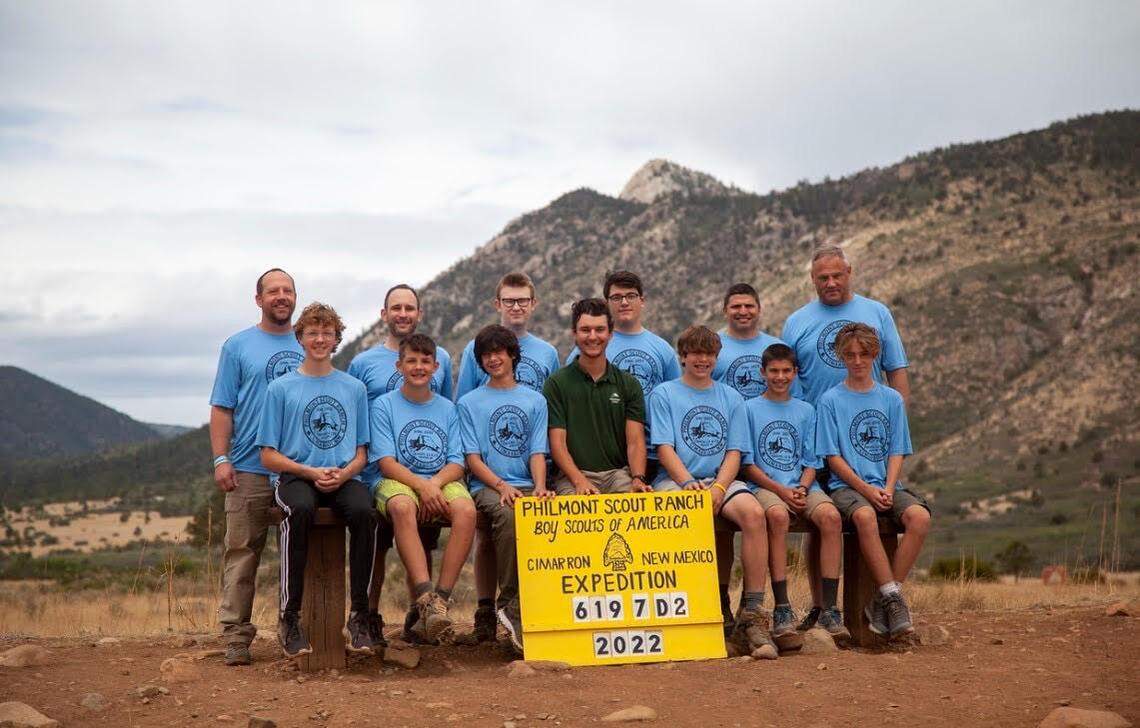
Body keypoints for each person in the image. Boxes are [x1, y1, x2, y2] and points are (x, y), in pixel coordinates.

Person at [781, 243, 910, 629]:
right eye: (823, 278)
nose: (831, 283)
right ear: (813, 280)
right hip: (814, 436)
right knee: (822, 521)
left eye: (837, 275)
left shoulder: (876, 313)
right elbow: (787, 376)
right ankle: (823, 608)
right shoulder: (797, 321)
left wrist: (894, 423)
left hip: (865, 442)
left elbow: (896, 369)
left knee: (877, 513)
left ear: (850, 272)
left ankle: (882, 601)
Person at [648, 325, 777, 659]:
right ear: (683, 356)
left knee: (753, 514)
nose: (702, 360)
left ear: (716, 358)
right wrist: (689, 485)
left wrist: (719, 487)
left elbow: (735, 451)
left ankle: (752, 613)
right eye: (695, 353)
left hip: (722, 478)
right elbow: (664, 448)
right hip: (675, 479)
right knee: (679, 518)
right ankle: (689, 611)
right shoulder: (664, 393)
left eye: (708, 354)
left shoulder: (731, 397)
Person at [257, 302, 377, 658]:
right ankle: (289, 617)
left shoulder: (353, 388)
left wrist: (345, 473)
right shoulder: (280, 389)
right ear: (300, 337)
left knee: (365, 513)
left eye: (327, 333)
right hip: (296, 477)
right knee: (301, 511)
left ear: (337, 338)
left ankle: (359, 616)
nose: (320, 339)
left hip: (341, 475)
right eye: (313, 332)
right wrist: (308, 471)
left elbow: (361, 453)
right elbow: (267, 454)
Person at [454, 272, 559, 642]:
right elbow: (471, 454)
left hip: (529, 480)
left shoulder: (535, 399)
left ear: (512, 354)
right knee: (510, 517)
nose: (493, 359)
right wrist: (500, 485)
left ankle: (549, 608)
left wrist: (542, 486)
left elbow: (537, 449)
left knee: (552, 514)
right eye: (487, 355)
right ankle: (509, 606)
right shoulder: (469, 402)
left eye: (500, 353)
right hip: (488, 484)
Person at [209, 268, 303, 666]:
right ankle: (235, 635)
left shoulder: (310, 342)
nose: (281, 296)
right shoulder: (238, 346)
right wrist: (220, 458)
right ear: (259, 298)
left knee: (299, 553)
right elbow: (221, 407)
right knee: (243, 552)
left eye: (288, 290)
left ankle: (295, 625)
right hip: (248, 468)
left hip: (298, 470)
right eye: (273, 291)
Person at [347, 284, 452, 643]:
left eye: (410, 308)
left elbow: (442, 409)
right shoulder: (362, 363)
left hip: (427, 471)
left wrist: (434, 480)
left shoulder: (443, 359)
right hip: (379, 473)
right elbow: (355, 416)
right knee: (375, 548)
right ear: (384, 314)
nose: (403, 313)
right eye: (396, 308)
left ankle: (418, 618)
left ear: (419, 314)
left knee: (423, 543)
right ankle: (366, 617)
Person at [816, 323, 930, 639]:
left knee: (919, 518)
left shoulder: (891, 399)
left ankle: (885, 597)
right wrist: (866, 489)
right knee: (865, 517)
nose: (857, 361)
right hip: (847, 487)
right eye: (850, 354)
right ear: (841, 356)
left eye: (864, 354)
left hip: (887, 484)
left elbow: (897, 449)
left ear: (875, 355)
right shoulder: (830, 400)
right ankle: (893, 600)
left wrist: (890, 488)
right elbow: (832, 457)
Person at [370, 334, 475, 644]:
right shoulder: (384, 405)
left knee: (467, 511)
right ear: (399, 365)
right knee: (402, 507)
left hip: (440, 479)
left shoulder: (447, 408)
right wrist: (420, 486)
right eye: (411, 361)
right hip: (397, 481)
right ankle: (424, 597)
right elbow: (385, 462)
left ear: (436, 367)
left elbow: (457, 462)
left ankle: (440, 601)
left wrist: (434, 484)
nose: (418, 367)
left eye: (425, 361)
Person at [742, 344, 848, 643]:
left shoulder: (806, 410)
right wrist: (781, 491)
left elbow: (812, 460)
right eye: (773, 371)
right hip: (765, 486)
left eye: (786, 371)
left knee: (831, 518)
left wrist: (801, 487)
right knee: (776, 516)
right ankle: (782, 607)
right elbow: (748, 465)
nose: (780, 377)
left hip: (803, 485)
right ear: (762, 373)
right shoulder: (749, 409)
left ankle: (829, 608)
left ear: (795, 372)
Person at [565, 270, 680, 479]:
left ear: (642, 300)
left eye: (631, 296)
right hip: (605, 456)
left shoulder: (663, 350)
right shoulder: (588, 347)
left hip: (653, 453)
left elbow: (675, 403)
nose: (624, 302)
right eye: (616, 297)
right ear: (606, 302)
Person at [544, 298, 650, 495]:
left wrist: (637, 478)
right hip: (571, 477)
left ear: (610, 334)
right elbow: (557, 444)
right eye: (585, 330)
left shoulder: (629, 384)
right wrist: (579, 481)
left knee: (636, 508)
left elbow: (635, 441)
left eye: (599, 329)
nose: (593, 336)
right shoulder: (556, 383)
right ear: (574, 334)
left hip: (618, 475)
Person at [712, 283, 791, 400]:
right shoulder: (710, 347)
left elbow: (793, 395)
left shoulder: (778, 347)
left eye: (749, 306)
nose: (743, 312)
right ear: (725, 311)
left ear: (759, 309)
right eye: (736, 306)